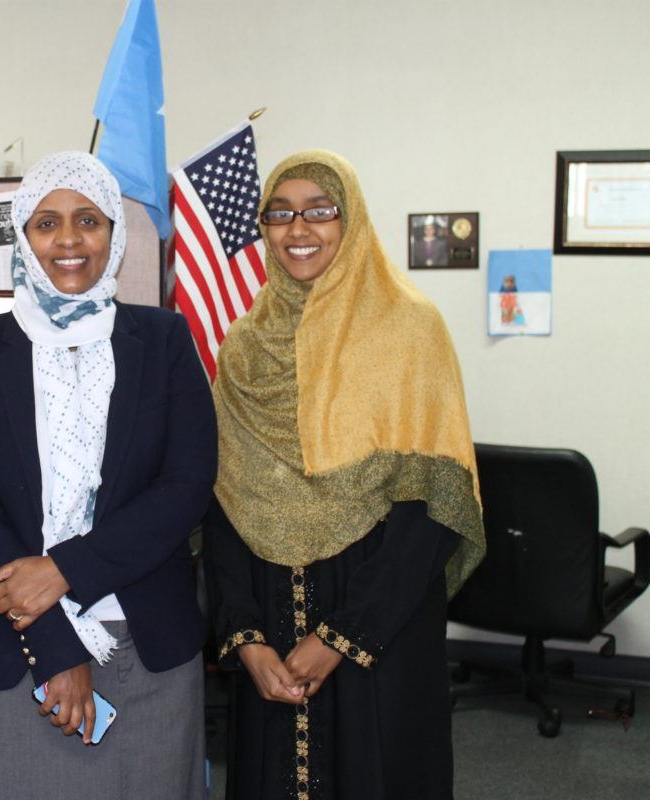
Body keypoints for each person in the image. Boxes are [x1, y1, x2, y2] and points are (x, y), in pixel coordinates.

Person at [0, 152, 216, 799]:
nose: (68, 239)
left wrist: (65, 570)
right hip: (12, 647)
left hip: (145, 648)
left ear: (114, 233)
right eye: (46, 222)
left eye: (88, 220)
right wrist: (56, 647)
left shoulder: (166, 341)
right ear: (23, 237)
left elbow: (187, 485)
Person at [204, 149, 486, 800]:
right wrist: (246, 638)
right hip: (267, 631)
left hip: (378, 633)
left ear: (350, 220)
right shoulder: (244, 345)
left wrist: (337, 639)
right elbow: (222, 500)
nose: (298, 229)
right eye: (279, 213)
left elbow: (435, 506)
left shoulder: (409, 330)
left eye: (320, 211)